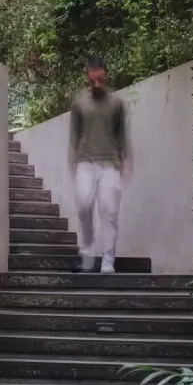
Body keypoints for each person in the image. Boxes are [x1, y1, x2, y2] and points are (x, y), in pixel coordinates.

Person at [68, 56, 131, 274]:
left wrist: (126, 161)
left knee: (109, 212)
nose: (97, 84)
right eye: (92, 80)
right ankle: (87, 251)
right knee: (84, 205)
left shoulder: (116, 103)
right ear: (88, 75)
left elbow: (122, 135)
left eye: (100, 79)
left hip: (110, 164)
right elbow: (74, 136)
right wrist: (73, 162)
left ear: (105, 74)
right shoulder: (79, 103)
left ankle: (107, 261)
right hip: (85, 162)